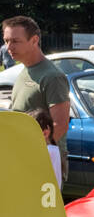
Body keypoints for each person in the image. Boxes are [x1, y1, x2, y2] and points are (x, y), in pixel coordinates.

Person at [2, 16, 71, 184]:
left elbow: (60, 125)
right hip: (23, 161)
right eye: (6, 41)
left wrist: (28, 156)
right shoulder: (25, 70)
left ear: (34, 40)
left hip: (42, 165)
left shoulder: (52, 76)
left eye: (15, 41)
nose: (8, 47)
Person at [27, 108, 62, 189]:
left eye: (30, 133)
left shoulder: (49, 151)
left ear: (45, 133)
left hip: (43, 198)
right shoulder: (51, 150)